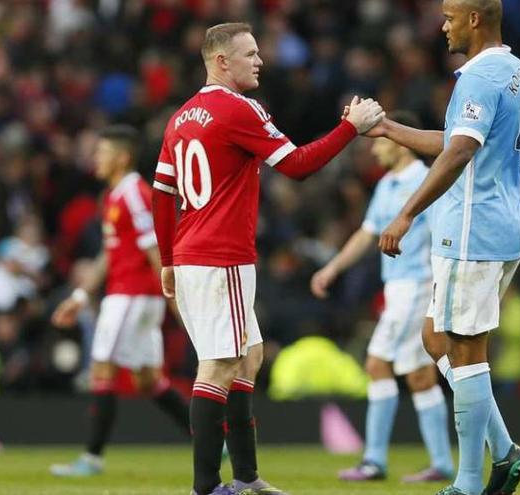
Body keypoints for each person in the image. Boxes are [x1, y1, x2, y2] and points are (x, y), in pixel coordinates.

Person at [150, 23, 384, 495]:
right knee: (219, 365)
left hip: (193, 254)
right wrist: (349, 128)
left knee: (249, 357)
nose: (259, 61)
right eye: (250, 54)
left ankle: (247, 477)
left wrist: (169, 260)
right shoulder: (238, 110)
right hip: (222, 258)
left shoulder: (181, 117)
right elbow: (297, 166)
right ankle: (206, 486)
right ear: (221, 62)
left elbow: (162, 193)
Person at [372, 1, 520, 494]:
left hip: (472, 230)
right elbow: (455, 139)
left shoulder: (479, 78)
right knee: (435, 339)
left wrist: (406, 212)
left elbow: (461, 151)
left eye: (449, 16)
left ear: (475, 19)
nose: (443, 26)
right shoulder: (513, 69)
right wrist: (387, 128)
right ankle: (504, 451)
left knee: (466, 351)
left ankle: (467, 481)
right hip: (499, 223)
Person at [310, 111, 454, 483]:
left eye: (380, 142)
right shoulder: (389, 184)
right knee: (420, 376)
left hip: (417, 284)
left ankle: (374, 460)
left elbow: (443, 233)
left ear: (401, 142)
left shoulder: (427, 179)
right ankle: (441, 463)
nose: (375, 152)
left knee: (376, 363)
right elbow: (367, 233)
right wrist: (333, 268)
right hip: (399, 287)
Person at [49, 125, 191, 477]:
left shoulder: (134, 194)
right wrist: (81, 295)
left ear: (122, 156)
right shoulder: (115, 195)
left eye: (102, 152)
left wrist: (176, 301)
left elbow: (156, 249)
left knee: (101, 369)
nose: (96, 158)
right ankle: (209, 441)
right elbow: (111, 254)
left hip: (131, 296)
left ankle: (92, 459)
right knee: (147, 380)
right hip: (133, 297)